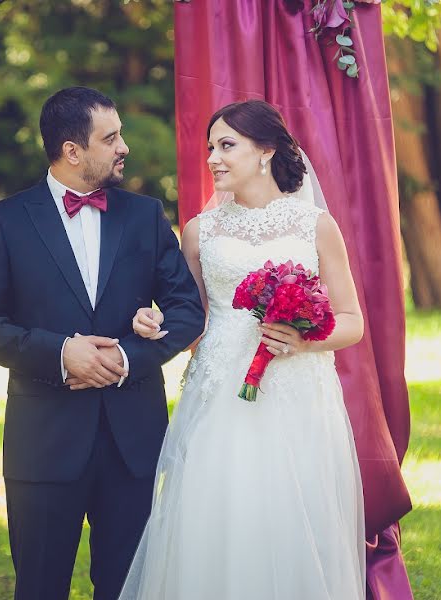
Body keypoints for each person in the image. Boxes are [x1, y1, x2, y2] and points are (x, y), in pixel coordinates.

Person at [0, 86, 205, 600]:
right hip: (43, 442)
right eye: (110, 137)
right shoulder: (4, 222)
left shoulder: (144, 216)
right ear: (73, 151)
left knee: (126, 588)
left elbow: (188, 310)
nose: (124, 148)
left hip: (132, 443)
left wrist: (125, 356)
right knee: (40, 587)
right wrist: (58, 353)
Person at [119, 99, 366, 599]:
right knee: (217, 511)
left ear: (266, 151)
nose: (212, 157)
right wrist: (155, 321)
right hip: (220, 393)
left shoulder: (314, 225)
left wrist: (303, 338)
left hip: (296, 394)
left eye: (226, 145)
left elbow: (352, 322)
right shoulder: (199, 231)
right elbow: (190, 321)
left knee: (290, 513)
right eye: (209, 146)